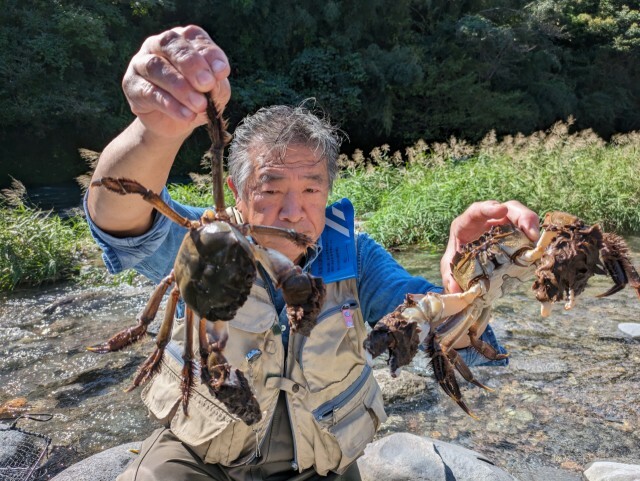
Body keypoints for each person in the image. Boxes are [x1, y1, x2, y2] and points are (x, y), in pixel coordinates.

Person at [85, 26, 540, 481]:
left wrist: (473, 274)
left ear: (327, 194)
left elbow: (462, 342)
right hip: (204, 459)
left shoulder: (357, 259)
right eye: (270, 188)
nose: (291, 211)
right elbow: (118, 220)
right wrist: (155, 130)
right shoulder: (204, 243)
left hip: (321, 467)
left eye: (309, 189)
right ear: (237, 195)